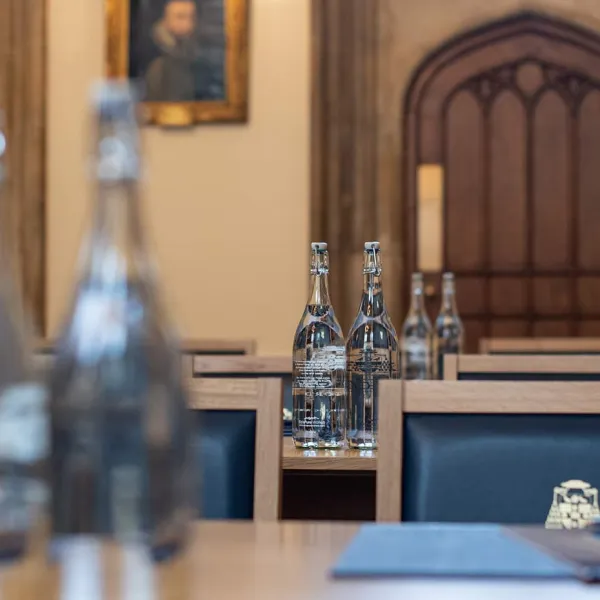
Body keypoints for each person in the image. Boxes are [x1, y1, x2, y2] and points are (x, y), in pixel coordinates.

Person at [145, 0, 201, 102]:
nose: (188, 24)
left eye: (192, 17)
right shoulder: (157, 63)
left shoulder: (194, 54)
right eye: (180, 17)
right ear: (164, 20)